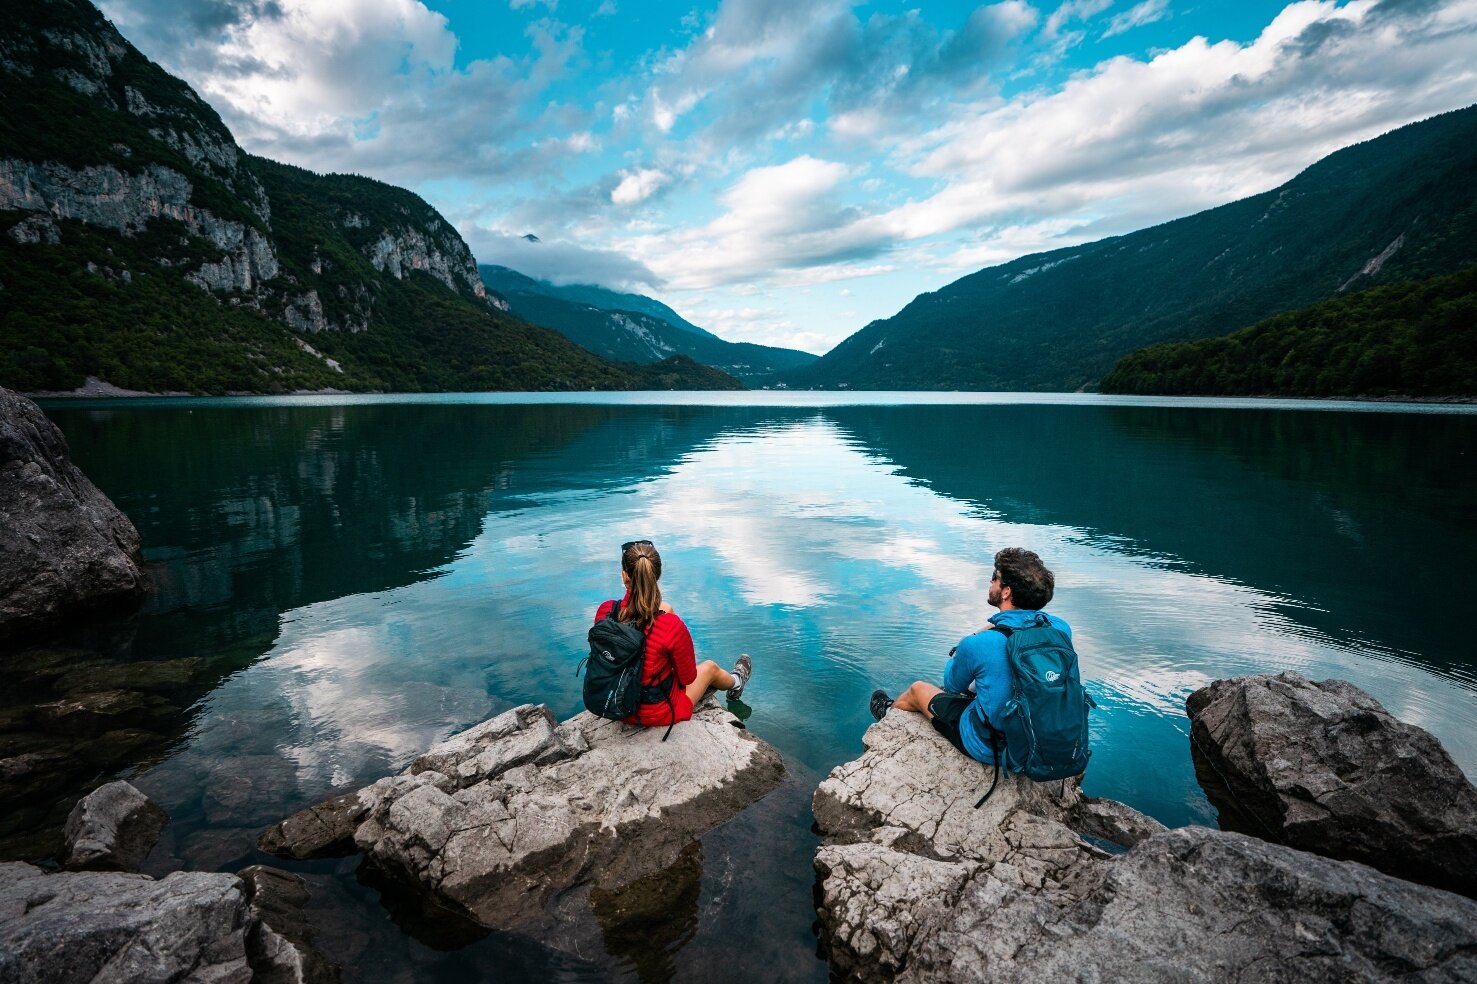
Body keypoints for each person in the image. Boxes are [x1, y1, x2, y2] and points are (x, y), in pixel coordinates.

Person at [869, 547, 1069, 766]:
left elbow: (952, 684)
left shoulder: (979, 645)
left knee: (918, 689)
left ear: (1006, 592)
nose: (990, 581)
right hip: (1042, 738)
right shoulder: (1060, 630)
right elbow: (1022, 620)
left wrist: (967, 643)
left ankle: (888, 713)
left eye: (995, 577)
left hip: (991, 746)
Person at [595, 539, 751, 729]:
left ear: (624, 575)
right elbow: (687, 678)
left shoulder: (606, 611)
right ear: (656, 575)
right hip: (657, 713)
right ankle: (736, 682)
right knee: (710, 667)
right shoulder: (670, 625)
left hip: (614, 703)